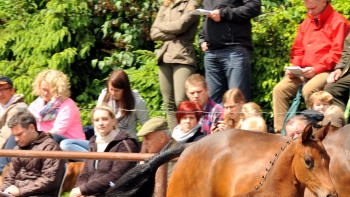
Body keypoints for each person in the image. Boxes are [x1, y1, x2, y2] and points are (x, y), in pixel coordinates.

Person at [47, 106, 140, 197]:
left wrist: (84, 190)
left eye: (104, 119)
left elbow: (116, 177)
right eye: (97, 120)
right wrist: (79, 194)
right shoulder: (94, 142)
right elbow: (85, 173)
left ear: (113, 121)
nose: (101, 123)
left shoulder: (126, 144)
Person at [271, 0, 350, 133]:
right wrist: (294, 68)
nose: (308, 9)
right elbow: (297, 50)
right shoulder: (306, 23)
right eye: (306, 6)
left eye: (312, 6)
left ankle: (313, 131)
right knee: (280, 90)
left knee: (309, 89)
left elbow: (337, 54)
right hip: (304, 71)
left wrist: (316, 69)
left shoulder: (339, 22)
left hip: (327, 70)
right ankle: (281, 132)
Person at [60, 70, 149, 152]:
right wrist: (97, 141)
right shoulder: (104, 96)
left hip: (123, 145)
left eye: (117, 90)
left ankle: (97, 161)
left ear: (125, 90)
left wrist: (143, 150)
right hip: (102, 141)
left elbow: (146, 126)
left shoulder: (137, 101)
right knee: (66, 144)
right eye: (111, 90)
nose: (113, 93)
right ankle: (96, 160)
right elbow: (97, 121)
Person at [150, 0, 200, 129]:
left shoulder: (193, 3)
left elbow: (181, 26)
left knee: (181, 102)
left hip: (182, 56)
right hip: (164, 57)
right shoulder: (167, 4)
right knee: (169, 104)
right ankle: (175, 139)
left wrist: (161, 26)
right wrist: (173, 32)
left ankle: (188, 136)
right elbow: (153, 33)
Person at [199, 0, 261, 103]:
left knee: (236, 99)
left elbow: (254, 7)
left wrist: (223, 13)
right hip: (211, 52)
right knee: (212, 103)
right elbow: (206, 17)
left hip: (234, 51)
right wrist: (202, 38)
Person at [27, 69, 84, 141]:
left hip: (68, 144)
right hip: (43, 141)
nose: (45, 93)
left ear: (58, 90)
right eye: (43, 89)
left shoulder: (68, 105)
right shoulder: (35, 105)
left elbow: (57, 132)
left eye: (48, 90)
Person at [0, 76, 27, 150]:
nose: (0, 94)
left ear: (12, 90)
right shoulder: (1, 106)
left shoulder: (19, 108)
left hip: (10, 149)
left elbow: (6, 134)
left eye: (3, 90)